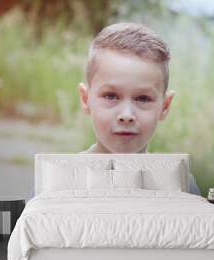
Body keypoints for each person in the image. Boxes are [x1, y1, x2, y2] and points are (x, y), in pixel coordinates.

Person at [78, 22, 201, 196]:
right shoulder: (61, 178)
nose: (127, 115)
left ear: (164, 106)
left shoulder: (180, 183)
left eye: (143, 98)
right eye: (111, 96)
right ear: (85, 99)